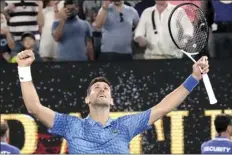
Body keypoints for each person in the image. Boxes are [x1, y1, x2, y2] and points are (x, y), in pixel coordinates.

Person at [15, 49, 209, 153]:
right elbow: (34, 107)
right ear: (87, 99)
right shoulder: (71, 126)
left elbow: (163, 107)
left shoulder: (125, 125)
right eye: (96, 88)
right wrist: (23, 69)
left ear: (112, 100)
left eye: (106, 89)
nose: (102, 89)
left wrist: (194, 78)